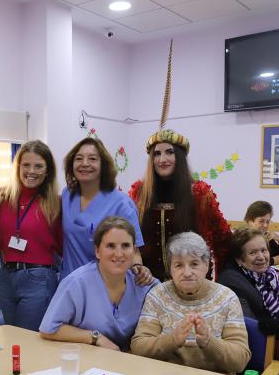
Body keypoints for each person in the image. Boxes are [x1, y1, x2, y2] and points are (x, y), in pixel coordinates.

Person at [131, 232, 250, 374]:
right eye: (179, 265)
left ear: (206, 265)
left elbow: (240, 361)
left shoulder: (227, 298)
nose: (187, 273)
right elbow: (138, 347)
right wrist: (172, 340)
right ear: (170, 269)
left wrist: (209, 342)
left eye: (194, 264)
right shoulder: (157, 295)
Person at [39, 217, 158, 351]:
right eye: (110, 246)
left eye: (125, 245)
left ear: (134, 250)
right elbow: (49, 329)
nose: (119, 254)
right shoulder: (77, 283)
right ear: (97, 251)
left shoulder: (144, 284)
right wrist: (95, 337)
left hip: (128, 362)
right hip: (86, 359)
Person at [128, 129, 232, 280]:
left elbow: (222, 241)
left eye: (169, 152)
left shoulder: (199, 194)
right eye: (157, 154)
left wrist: (222, 282)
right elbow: (129, 239)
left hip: (191, 282)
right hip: (147, 284)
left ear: (180, 156)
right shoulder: (139, 193)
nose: (162, 159)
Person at [60, 137, 152, 285]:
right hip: (70, 283)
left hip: (105, 285)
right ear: (72, 164)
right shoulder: (67, 195)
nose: (85, 164)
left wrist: (138, 267)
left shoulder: (121, 204)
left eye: (92, 159)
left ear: (103, 165)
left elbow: (133, 250)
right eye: (79, 158)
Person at [0, 140, 61, 331]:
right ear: (18, 167)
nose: (31, 171)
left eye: (38, 166)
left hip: (38, 278)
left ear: (47, 171)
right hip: (7, 277)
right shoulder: (5, 197)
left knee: (28, 340)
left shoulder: (55, 202)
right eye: (26, 165)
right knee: (13, 338)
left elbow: (63, 246)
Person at [217, 227, 279, 337]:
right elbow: (249, 327)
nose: (261, 257)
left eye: (263, 250)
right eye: (253, 253)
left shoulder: (269, 275)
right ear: (239, 259)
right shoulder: (232, 281)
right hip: (266, 343)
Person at [244, 200, 279, 265]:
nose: (265, 225)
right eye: (261, 221)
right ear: (250, 221)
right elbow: (248, 262)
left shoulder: (266, 237)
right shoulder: (244, 238)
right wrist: (273, 261)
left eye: (268, 222)